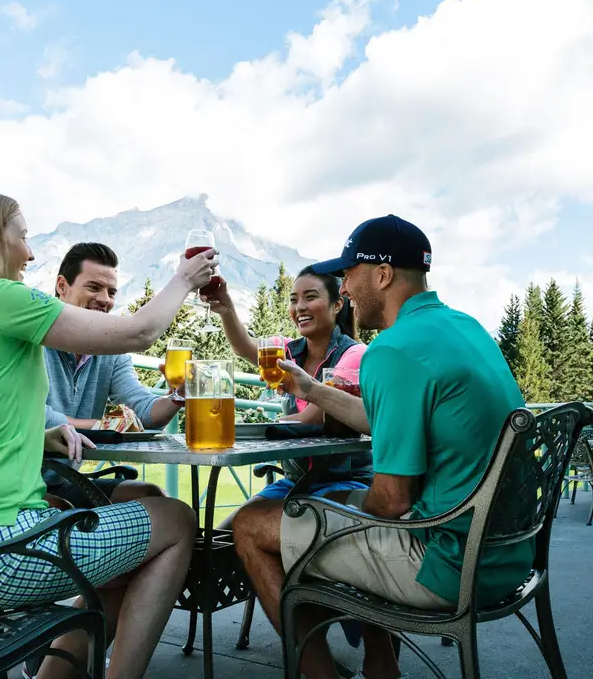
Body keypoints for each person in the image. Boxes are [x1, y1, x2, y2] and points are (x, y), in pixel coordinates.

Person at [0, 187, 217, 679]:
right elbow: (139, 333)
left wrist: (35, 439)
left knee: (119, 545)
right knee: (174, 520)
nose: (31, 251)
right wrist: (183, 279)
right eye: (22, 236)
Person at [232, 214, 534, 679]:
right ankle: (379, 666)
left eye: (349, 274)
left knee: (254, 525)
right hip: (507, 553)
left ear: (383, 274)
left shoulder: (393, 349)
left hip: (446, 562)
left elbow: (391, 501)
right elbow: (382, 419)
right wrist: (311, 389)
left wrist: (332, 512)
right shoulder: (463, 328)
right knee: (315, 507)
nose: (345, 286)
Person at [206, 266, 372, 531]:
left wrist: (260, 425)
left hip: (343, 482)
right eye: (294, 300)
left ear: (337, 304)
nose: (300, 307)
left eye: (310, 297)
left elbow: (312, 418)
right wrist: (226, 309)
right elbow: (243, 347)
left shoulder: (353, 355)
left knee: (262, 530)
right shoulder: (285, 351)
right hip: (295, 481)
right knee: (221, 536)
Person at [43, 242, 185, 505]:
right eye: (94, 287)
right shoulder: (33, 335)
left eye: (111, 292)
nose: (105, 300)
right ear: (62, 286)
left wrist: (178, 395)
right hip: (17, 487)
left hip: (65, 482)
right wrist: (111, 427)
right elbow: (37, 417)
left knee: (159, 501)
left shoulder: (109, 349)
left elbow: (143, 411)